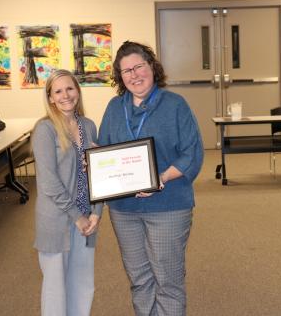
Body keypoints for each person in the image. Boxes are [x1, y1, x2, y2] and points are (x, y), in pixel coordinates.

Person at [98, 41, 204, 316]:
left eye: (138, 67)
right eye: (126, 71)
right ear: (119, 77)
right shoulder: (113, 108)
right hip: (124, 210)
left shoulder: (175, 104)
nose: (133, 75)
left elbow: (191, 152)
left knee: (167, 279)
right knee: (139, 279)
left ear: (152, 67)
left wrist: (161, 177)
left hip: (168, 204)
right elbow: (104, 153)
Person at [32, 69, 103, 316]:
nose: (65, 95)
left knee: (83, 284)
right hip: (58, 220)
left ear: (78, 91)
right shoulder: (45, 129)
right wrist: (78, 216)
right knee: (56, 289)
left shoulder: (89, 126)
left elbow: (100, 171)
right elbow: (49, 182)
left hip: (87, 219)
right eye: (58, 91)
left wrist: (96, 213)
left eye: (70, 89)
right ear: (50, 97)